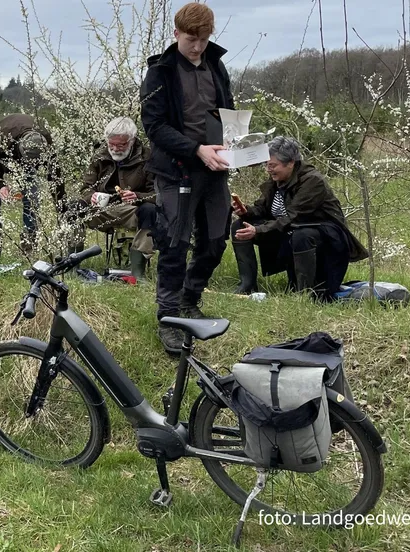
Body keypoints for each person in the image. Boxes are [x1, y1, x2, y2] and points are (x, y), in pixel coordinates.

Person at [140, 2, 234, 355]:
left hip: (216, 169)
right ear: (177, 34)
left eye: (204, 39)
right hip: (176, 169)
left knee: (214, 241)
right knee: (174, 244)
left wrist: (235, 145)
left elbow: (228, 111)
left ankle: (189, 298)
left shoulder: (217, 65)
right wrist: (196, 149)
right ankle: (169, 319)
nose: (198, 47)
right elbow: (154, 127)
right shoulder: (159, 73)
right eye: (192, 39)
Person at [231, 136, 369, 301]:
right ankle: (247, 285)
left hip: (328, 238)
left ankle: (304, 294)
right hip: (291, 230)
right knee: (240, 225)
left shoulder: (313, 181)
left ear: (290, 163)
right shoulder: (278, 178)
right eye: (267, 165)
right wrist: (245, 211)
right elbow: (263, 209)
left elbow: (293, 216)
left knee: (301, 234)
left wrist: (258, 230)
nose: (269, 169)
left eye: (273, 165)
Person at [79, 117, 156, 278]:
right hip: (102, 210)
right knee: (73, 207)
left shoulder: (147, 157)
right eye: (111, 144)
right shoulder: (100, 155)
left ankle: (137, 273)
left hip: (133, 210)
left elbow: (158, 194)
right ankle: (72, 265)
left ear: (132, 140)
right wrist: (90, 196)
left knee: (150, 212)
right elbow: (85, 188)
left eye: (121, 145)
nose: (115, 149)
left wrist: (138, 196)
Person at [0, 113, 65, 255]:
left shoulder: (45, 142)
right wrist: (0, 184)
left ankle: (29, 250)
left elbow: (55, 175)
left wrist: (61, 207)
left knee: (32, 203)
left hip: (27, 165)